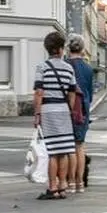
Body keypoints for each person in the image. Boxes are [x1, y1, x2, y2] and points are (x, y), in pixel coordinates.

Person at [33, 31, 78, 200]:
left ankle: (52, 187)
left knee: (52, 151)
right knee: (64, 150)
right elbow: (72, 93)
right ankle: (62, 187)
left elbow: (39, 92)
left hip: (48, 110)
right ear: (60, 49)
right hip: (64, 110)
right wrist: (69, 110)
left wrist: (37, 114)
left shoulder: (42, 67)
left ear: (48, 49)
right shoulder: (69, 68)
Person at [65, 34, 94, 193]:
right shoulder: (88, 68)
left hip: (67, 109)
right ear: (82, 49)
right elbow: (90, 94)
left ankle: (69, 182)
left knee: (68, 147)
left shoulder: (64, 65)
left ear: (68, 48)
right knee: (80, 146)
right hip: (83, 109)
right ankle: (79, 184)